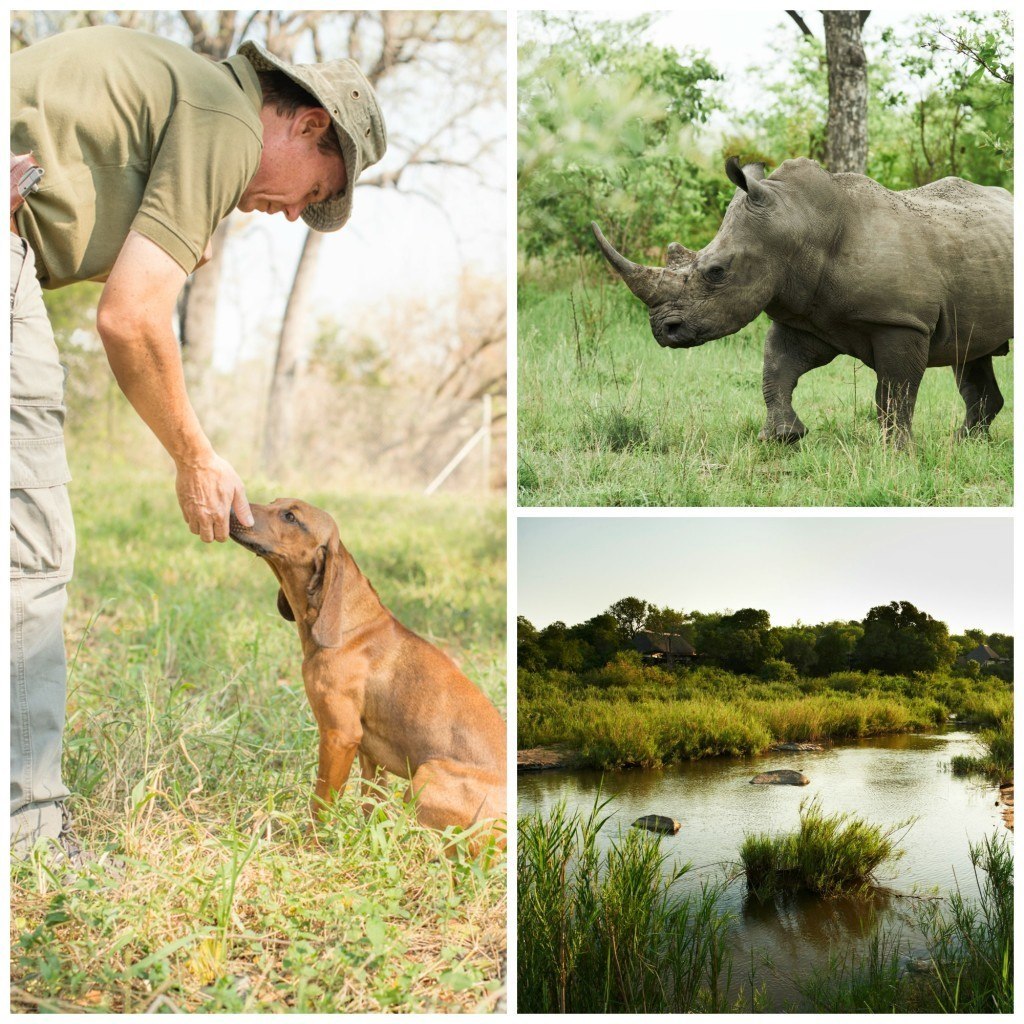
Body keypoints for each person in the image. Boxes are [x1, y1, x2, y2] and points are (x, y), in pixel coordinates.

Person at [10, 25, 387, 857]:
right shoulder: (225, 116)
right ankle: (28, 834)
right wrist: (195, 454)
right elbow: (132, 317)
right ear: (308, 123)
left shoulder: (190, 95)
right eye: (310, 193)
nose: (293, 214)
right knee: (28, 556)